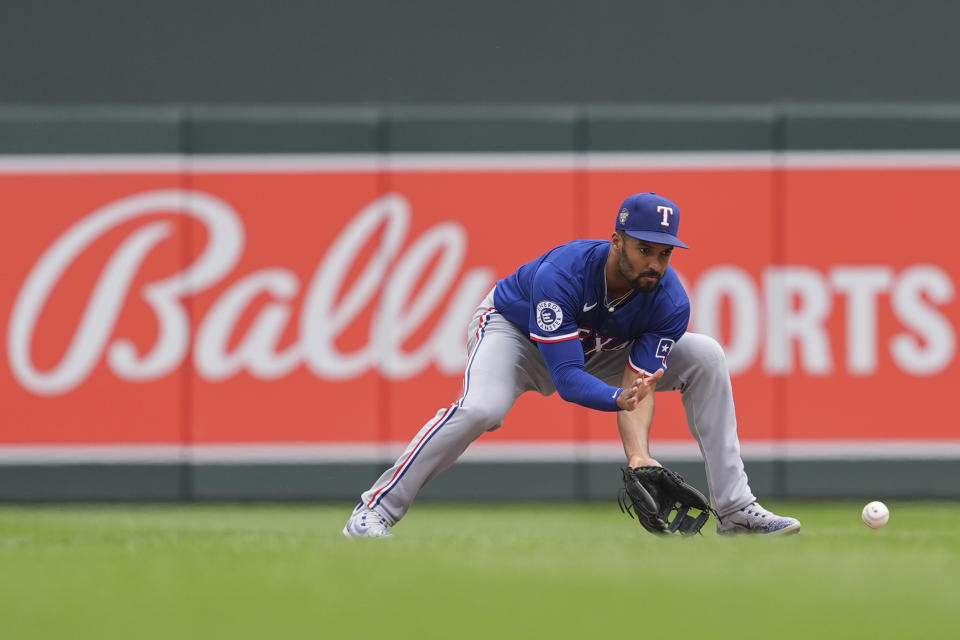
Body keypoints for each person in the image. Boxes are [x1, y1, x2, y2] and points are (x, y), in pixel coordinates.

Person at [343, 192, 801, 537]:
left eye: (665, 254)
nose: (655, 264)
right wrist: (619, 397)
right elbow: (565, 379)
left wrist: (639, 457)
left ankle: (736, 509)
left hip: (596, 350)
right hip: (515, 336)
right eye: (645, 249)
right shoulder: (562, 274)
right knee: (482, 409)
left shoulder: (668, 301)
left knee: (705, 355)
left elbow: (636, 385)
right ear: (616, 241)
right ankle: (374, 510)